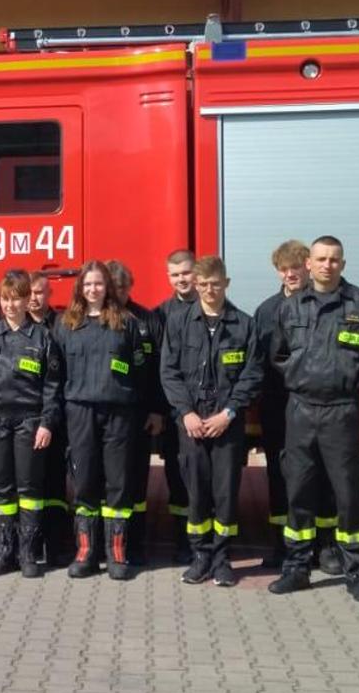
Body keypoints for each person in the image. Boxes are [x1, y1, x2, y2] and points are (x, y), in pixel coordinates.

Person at [266, 235, 359, 603]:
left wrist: (345, 383)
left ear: (342, 265)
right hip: (300, 409)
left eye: (334, 259)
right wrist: (303, 378)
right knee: (298, 490)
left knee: (348, 494)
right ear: (310, 264)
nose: (327, 265)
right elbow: (279, 354)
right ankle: (296, 569)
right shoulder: (291, 307)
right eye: (320, 259)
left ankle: (356, 574)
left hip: (342, 411)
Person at [159, 256, 263, 587]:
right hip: (190, 422)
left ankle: (222, 560)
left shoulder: (244, 325)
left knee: (225, 493)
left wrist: (228, 413)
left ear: (226, 284)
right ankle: (200, 556)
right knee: (196, 492)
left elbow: (252, 374)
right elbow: (169, 372)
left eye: (215, 283)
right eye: (203, 284)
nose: (208, 289)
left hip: (226, 423)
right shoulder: (178, 323)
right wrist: (186, 413)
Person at [58, 262, 162, 581]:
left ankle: (117, 553)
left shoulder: (127, 323)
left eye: (99, 284)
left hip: (119, 413)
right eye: (87, 284)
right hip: (80, 412)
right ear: (80, 288)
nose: (93, 289)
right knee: (85, 482)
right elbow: (55, 372)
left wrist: (154, 409)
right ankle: (86, 552)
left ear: (108, 288)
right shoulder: (66, 324)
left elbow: (145, 373)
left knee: (118, 484)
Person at [254, 240, 339, 571]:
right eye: (283, 268)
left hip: (320, 405)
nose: (290, 274)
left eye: (295, 267)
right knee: (281, 476)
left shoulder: (327, 305)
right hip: (280, 408)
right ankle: (284, 545)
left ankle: (327, 547)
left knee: (323, 473)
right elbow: (259, 363)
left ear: (307, 267)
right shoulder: (266, 311)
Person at [0, 271, 64, 578]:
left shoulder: (44, 338)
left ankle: (28, 552)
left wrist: (47, 423)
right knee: (1, 488)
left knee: (29, 488)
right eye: (5, 299)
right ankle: (5, 551)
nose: (10, 305)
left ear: (28, 300)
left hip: (30, 420)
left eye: (16, 299)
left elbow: (53, 388)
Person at [106, 259, 166, 565]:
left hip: (140, 414)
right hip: (106, 417)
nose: (119, 291)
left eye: (123, 286)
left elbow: (159, 369)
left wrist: (156, 410)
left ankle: (137, 544)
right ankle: (111, 545)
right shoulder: (96, 319)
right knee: (110, 483)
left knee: (137, 480)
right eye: (113, 287)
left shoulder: (147, 320)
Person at [155, 249, 198, 563]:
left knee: (206, 479)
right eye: (175, 275)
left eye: (186, 272)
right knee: (177, 476)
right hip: (174, 413)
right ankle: (184, 538)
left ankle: (204, 540)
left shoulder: (211, 308)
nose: (182, 279)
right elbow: (159, 371)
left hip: (208, 412)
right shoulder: (161, 315)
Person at [26, 271, 69, 563]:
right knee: (30, 481)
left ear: (49, 294)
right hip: (28, 418)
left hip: (58, 415)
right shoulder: (15, 328)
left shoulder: (63, 326)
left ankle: (56, 542)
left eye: (40, 292)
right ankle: (31, 539)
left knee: (56, 480)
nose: (34, 298)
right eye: (29, 292)